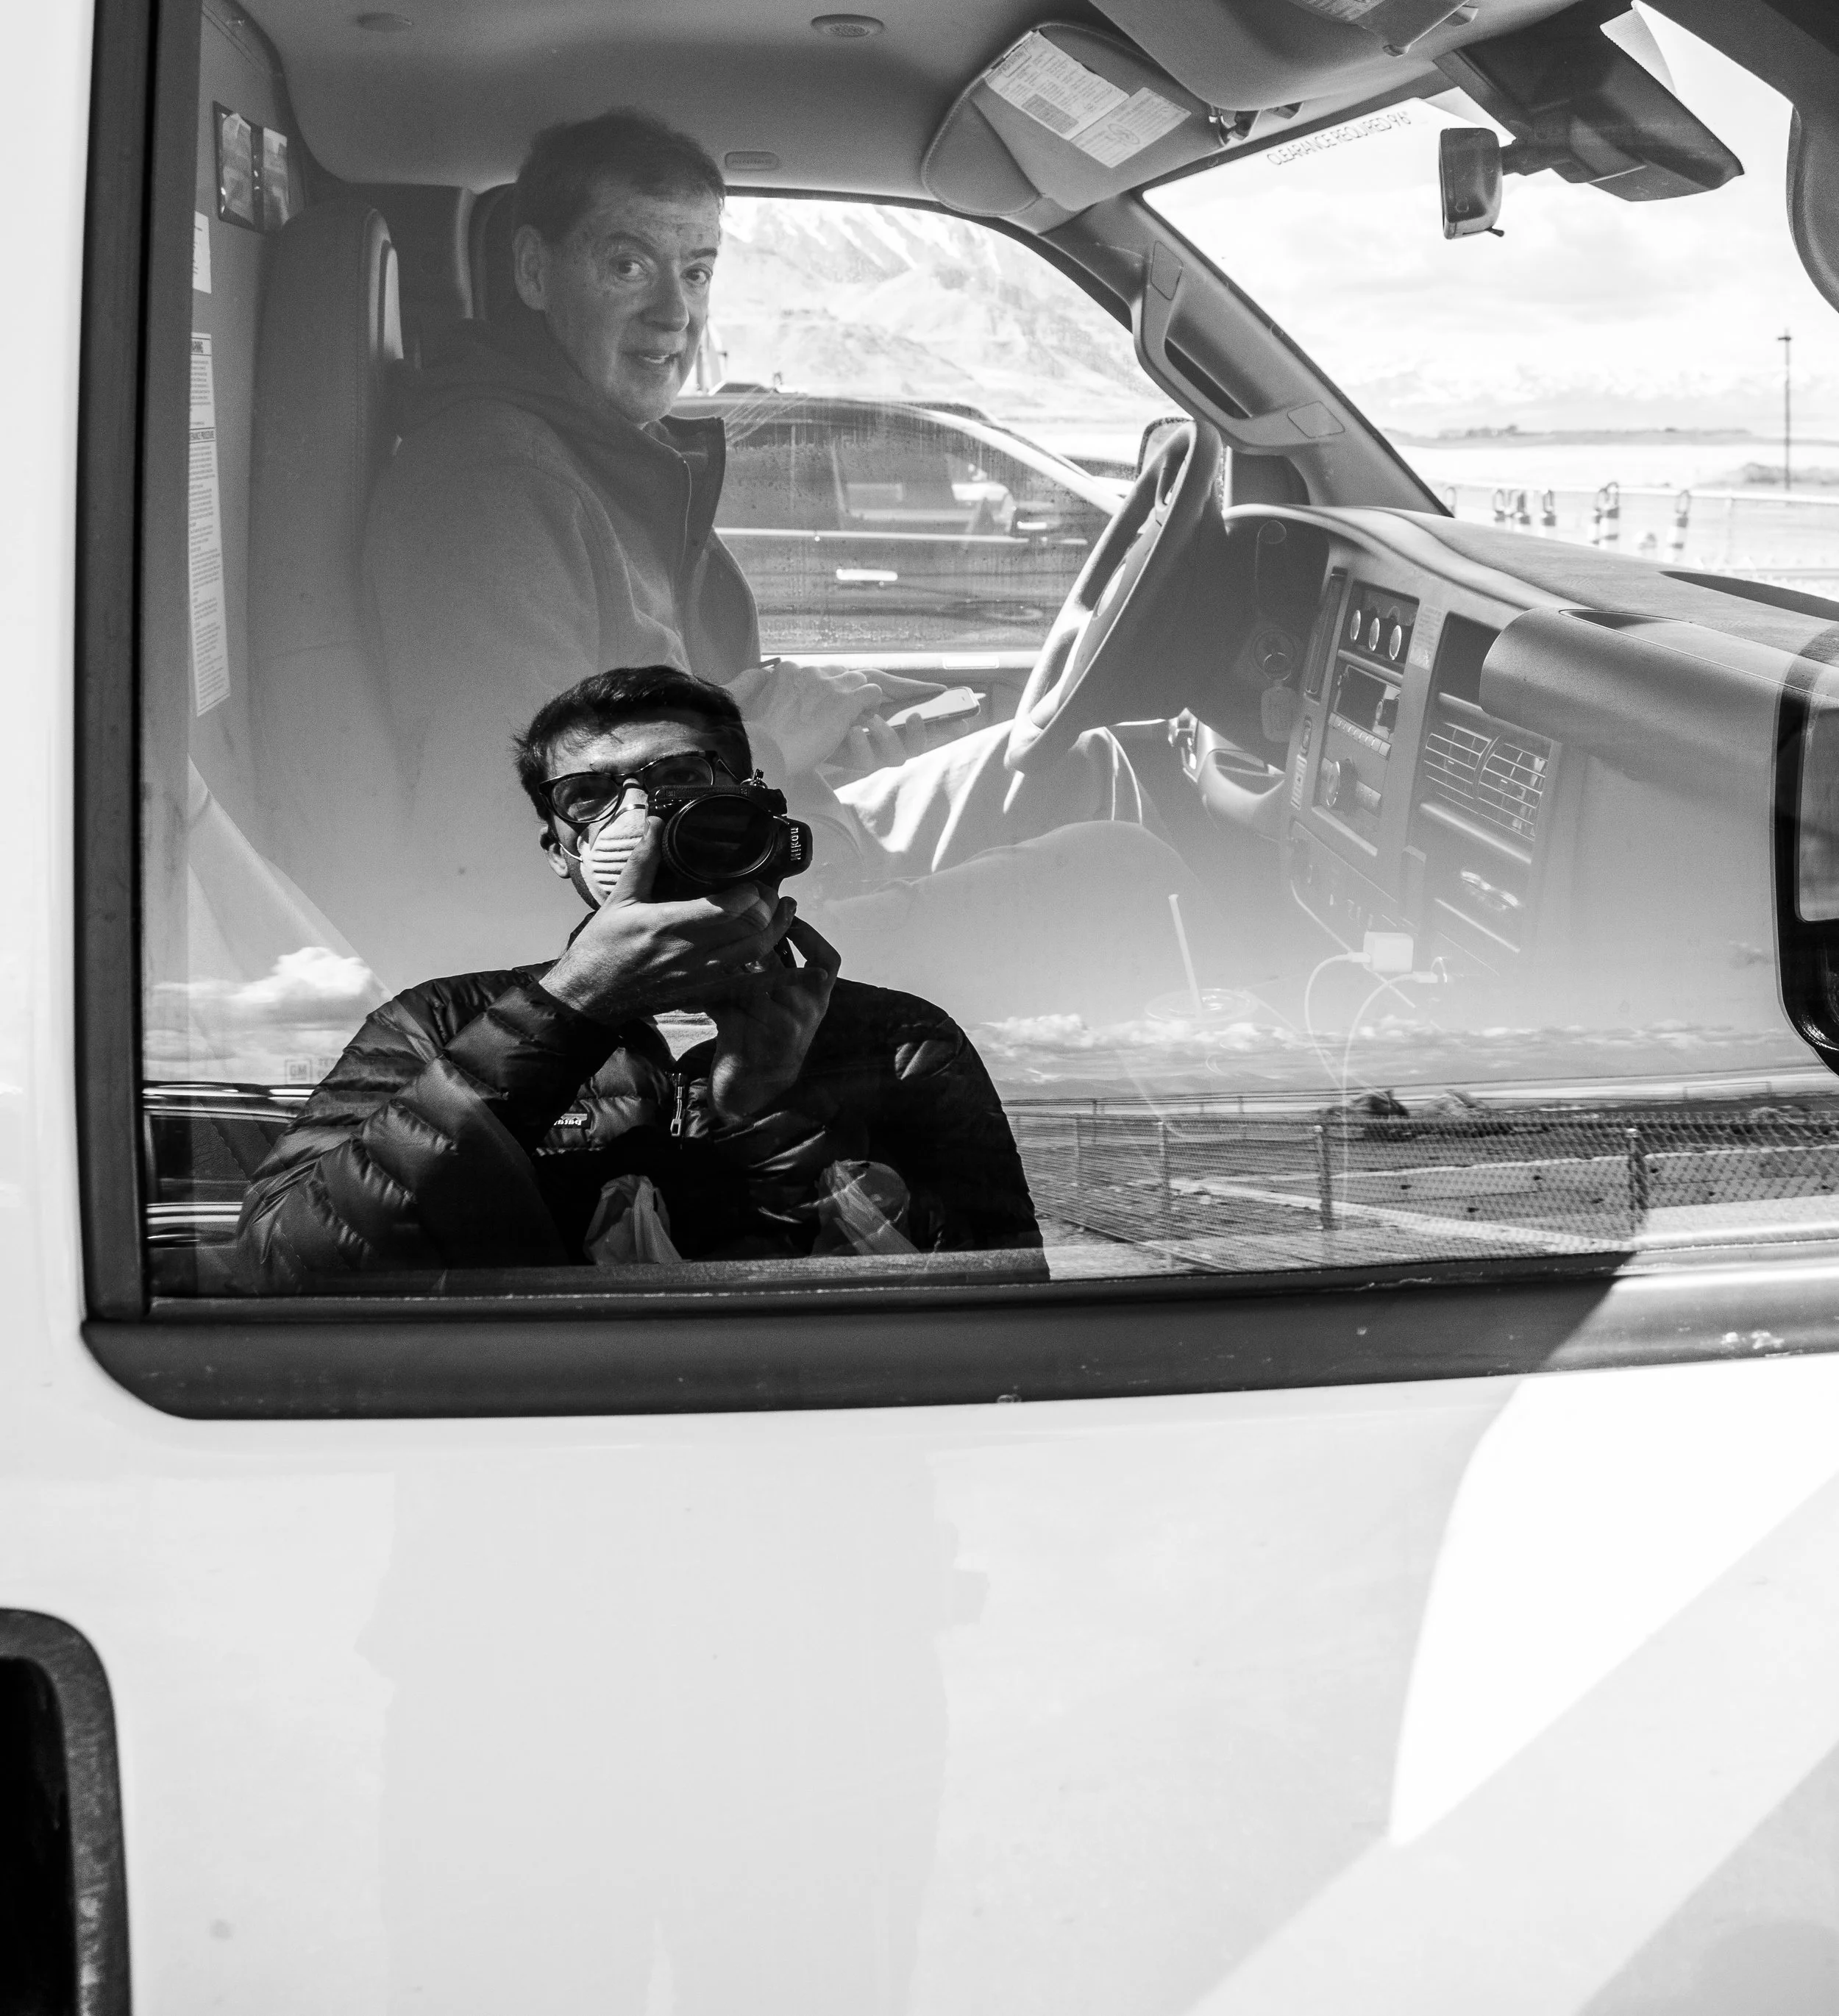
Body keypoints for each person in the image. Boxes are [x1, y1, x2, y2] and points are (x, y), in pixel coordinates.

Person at [364, 103, 1189, 1007]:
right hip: (692, 955)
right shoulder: (493, 483)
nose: (674, 312)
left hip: (750, 853)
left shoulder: (602, 457)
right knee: (1127, 871)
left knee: (1081, 763)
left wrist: (808, 753)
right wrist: (766, 752)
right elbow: (513, 845)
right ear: (534, 268)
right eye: (627, 263)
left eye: (697, 269)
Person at [237, 666, 1042, 1292]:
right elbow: (285, 1262)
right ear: (557, 849)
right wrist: (568, 1009)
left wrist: (761, 1108)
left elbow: (985, 1297)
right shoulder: (437, 1023)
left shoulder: (897, 1041)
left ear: (754, 811)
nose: (641, 815)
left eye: (678, 779)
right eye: (589, 794)